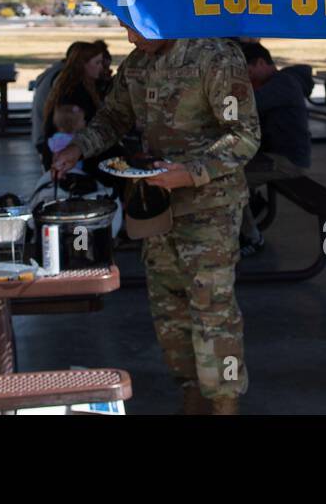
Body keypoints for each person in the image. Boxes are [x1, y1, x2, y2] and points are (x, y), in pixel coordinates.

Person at [51, 27, 260, 414]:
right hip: (156, 205)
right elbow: (113, 117)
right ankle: (192, 394)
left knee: (212, 308)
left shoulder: (215, 57)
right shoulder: (140, 62)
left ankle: (225, 403)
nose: (128, 38)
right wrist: (78, 147)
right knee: (169, 309)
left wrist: (190, 172)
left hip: (209, 207)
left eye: (133, 27)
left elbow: (244, 136)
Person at [237, 42, 312, 256]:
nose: (247, 78)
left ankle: (252, 236)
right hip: (273, 156)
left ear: (261, 63)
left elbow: (247, 108)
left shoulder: (283, 84)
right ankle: (251, 207)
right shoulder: (275, 83)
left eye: (248, 72)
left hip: (286, 162)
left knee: (230, 179)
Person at [38, 42, 107, 169]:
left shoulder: (77, 86)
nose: (101, 67)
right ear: (83, 65)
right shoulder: (74, 92)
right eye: (97, 63)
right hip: (69, 159)